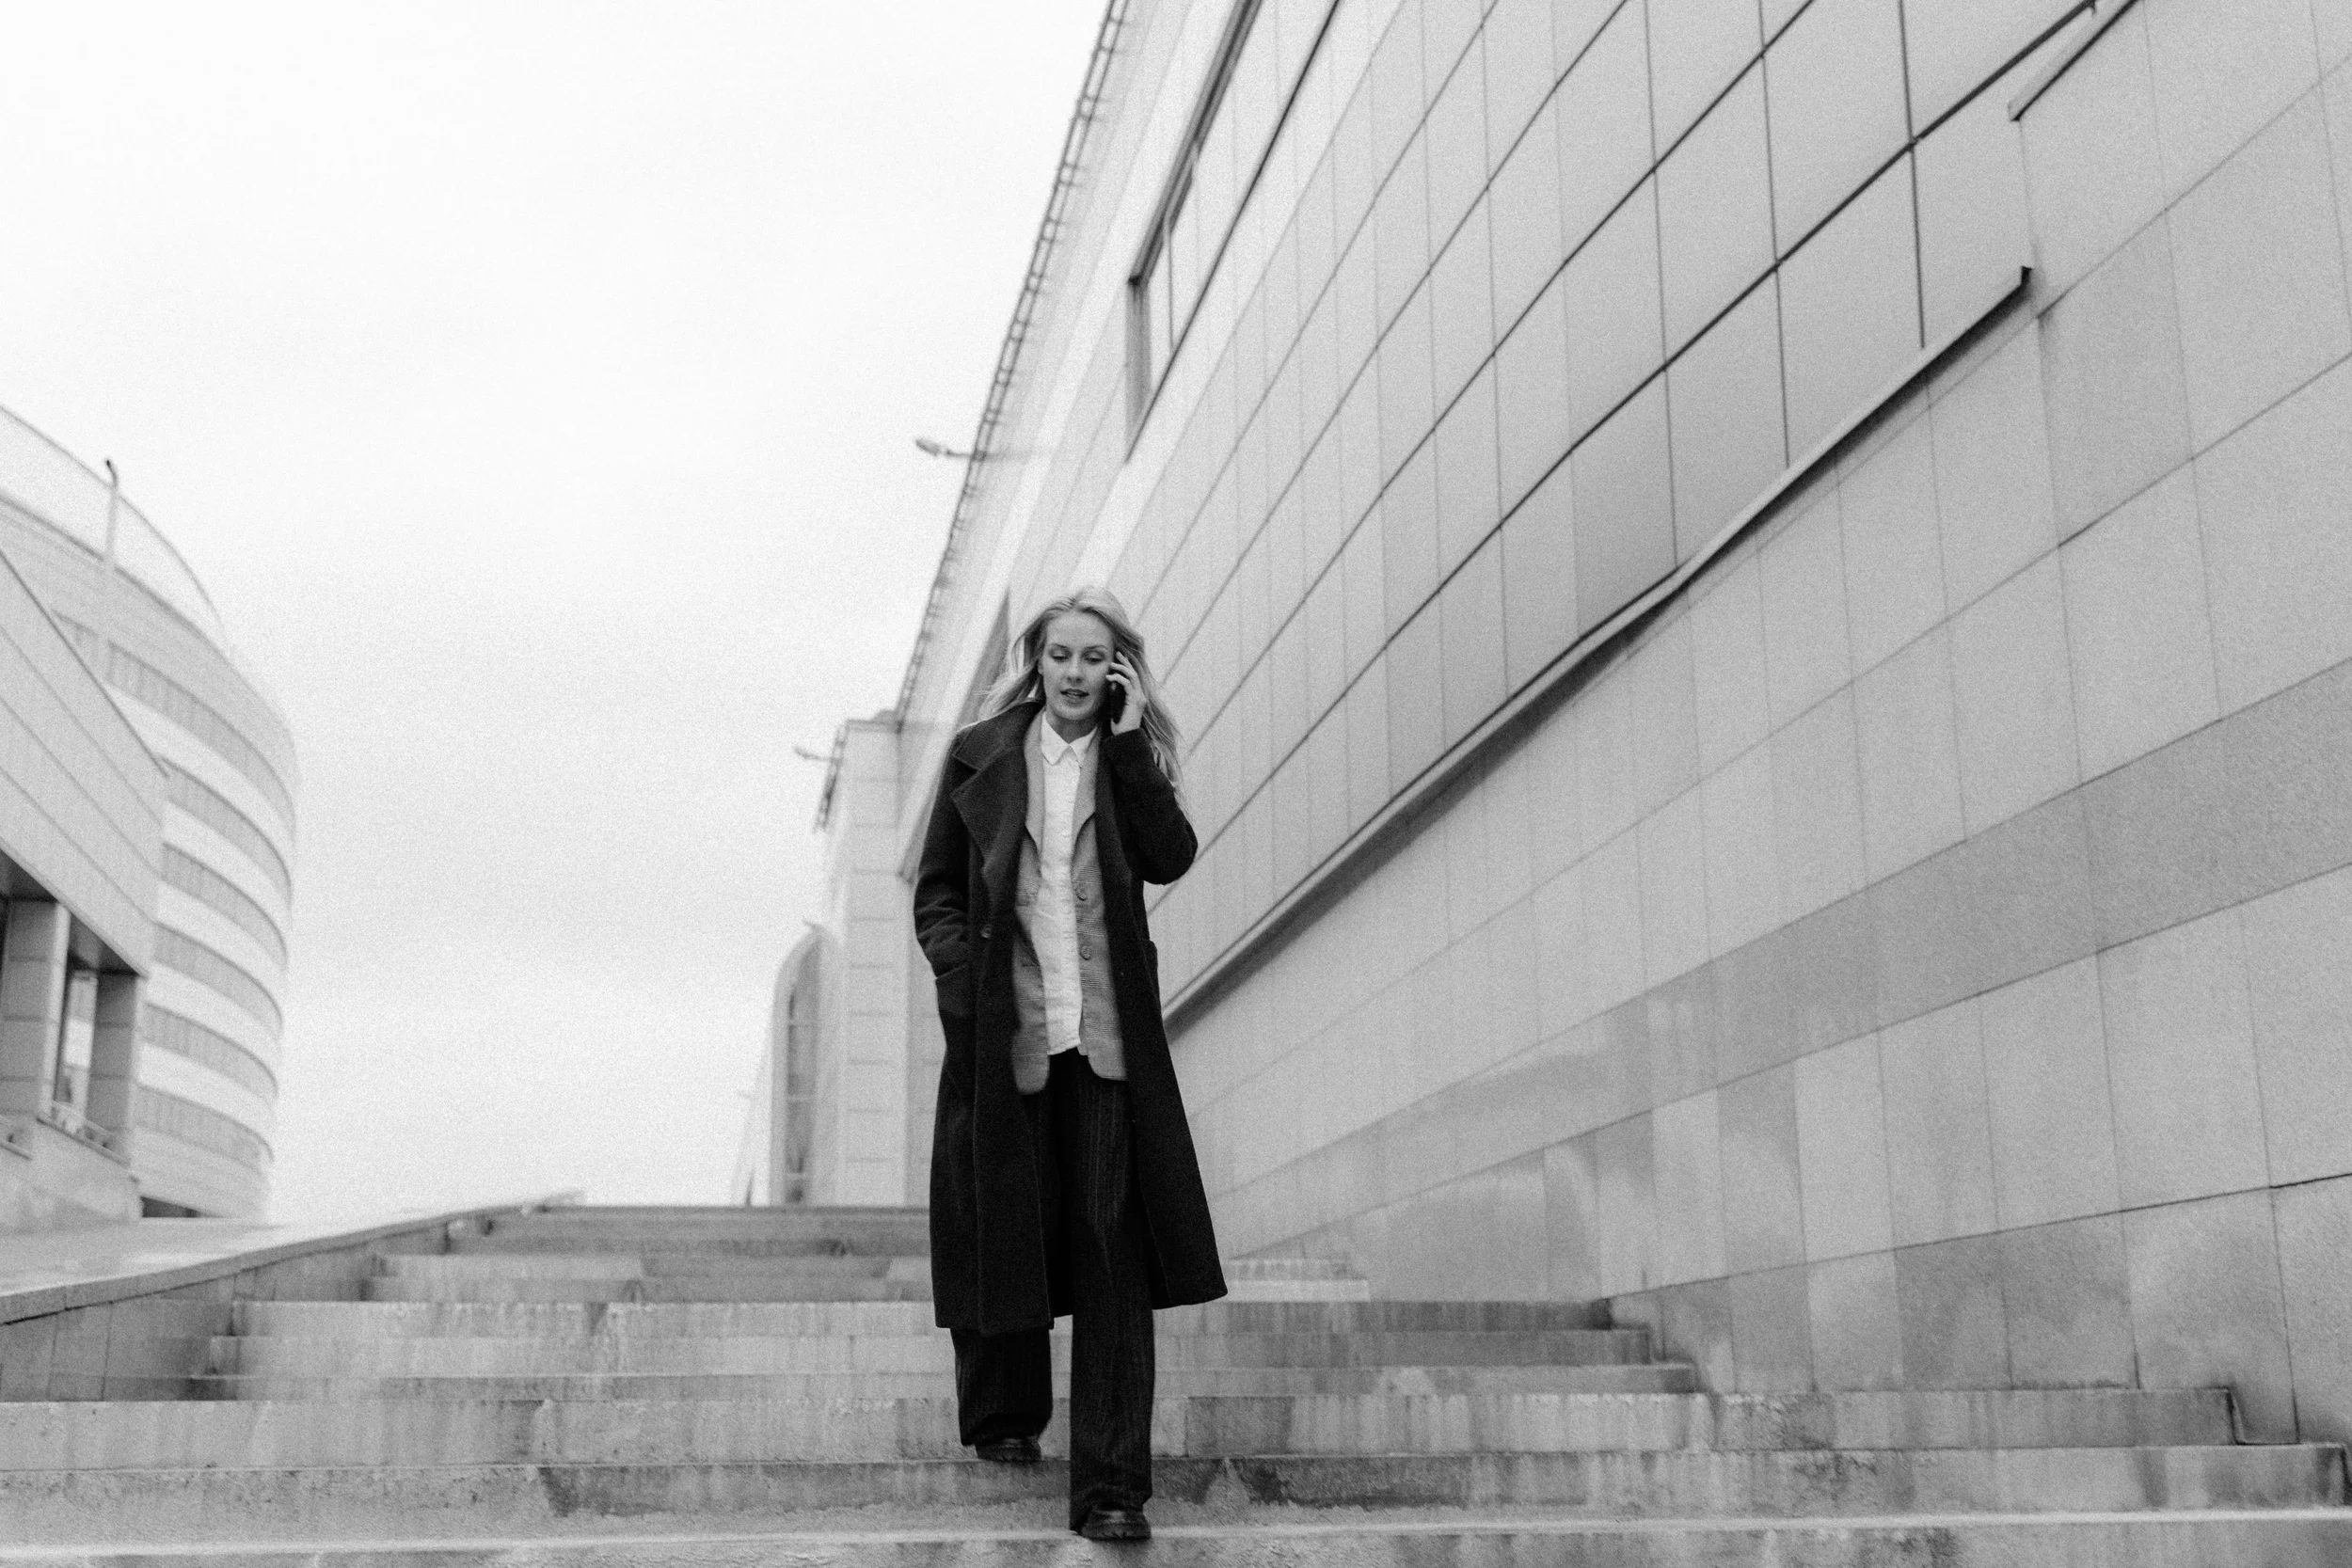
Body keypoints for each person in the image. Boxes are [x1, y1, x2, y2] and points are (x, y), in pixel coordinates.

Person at [914, 586, 1226, 1543]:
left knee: (1108, 1246)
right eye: (1062, 656)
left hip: (1106, 1045)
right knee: (1002, 1219)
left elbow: (1171, 855)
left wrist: (1132, 749)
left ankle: (1112, 1489)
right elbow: (935, 896)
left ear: (1119, 668)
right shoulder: (979, 756)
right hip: (1006, 1034)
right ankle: (1004, 1417)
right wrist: (967, 988)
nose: (1077, 674)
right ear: (1035, 662)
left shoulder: (1129, 762)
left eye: (1096, 658)